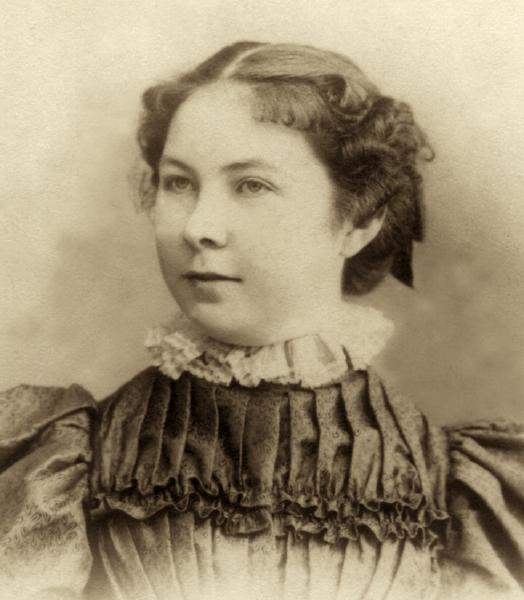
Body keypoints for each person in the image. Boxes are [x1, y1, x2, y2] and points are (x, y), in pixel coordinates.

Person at [0, 41, 523, 600]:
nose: (199, 227)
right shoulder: (58, 465)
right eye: (179, 183)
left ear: (358, 222)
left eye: (252, 185)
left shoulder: (464, 488)